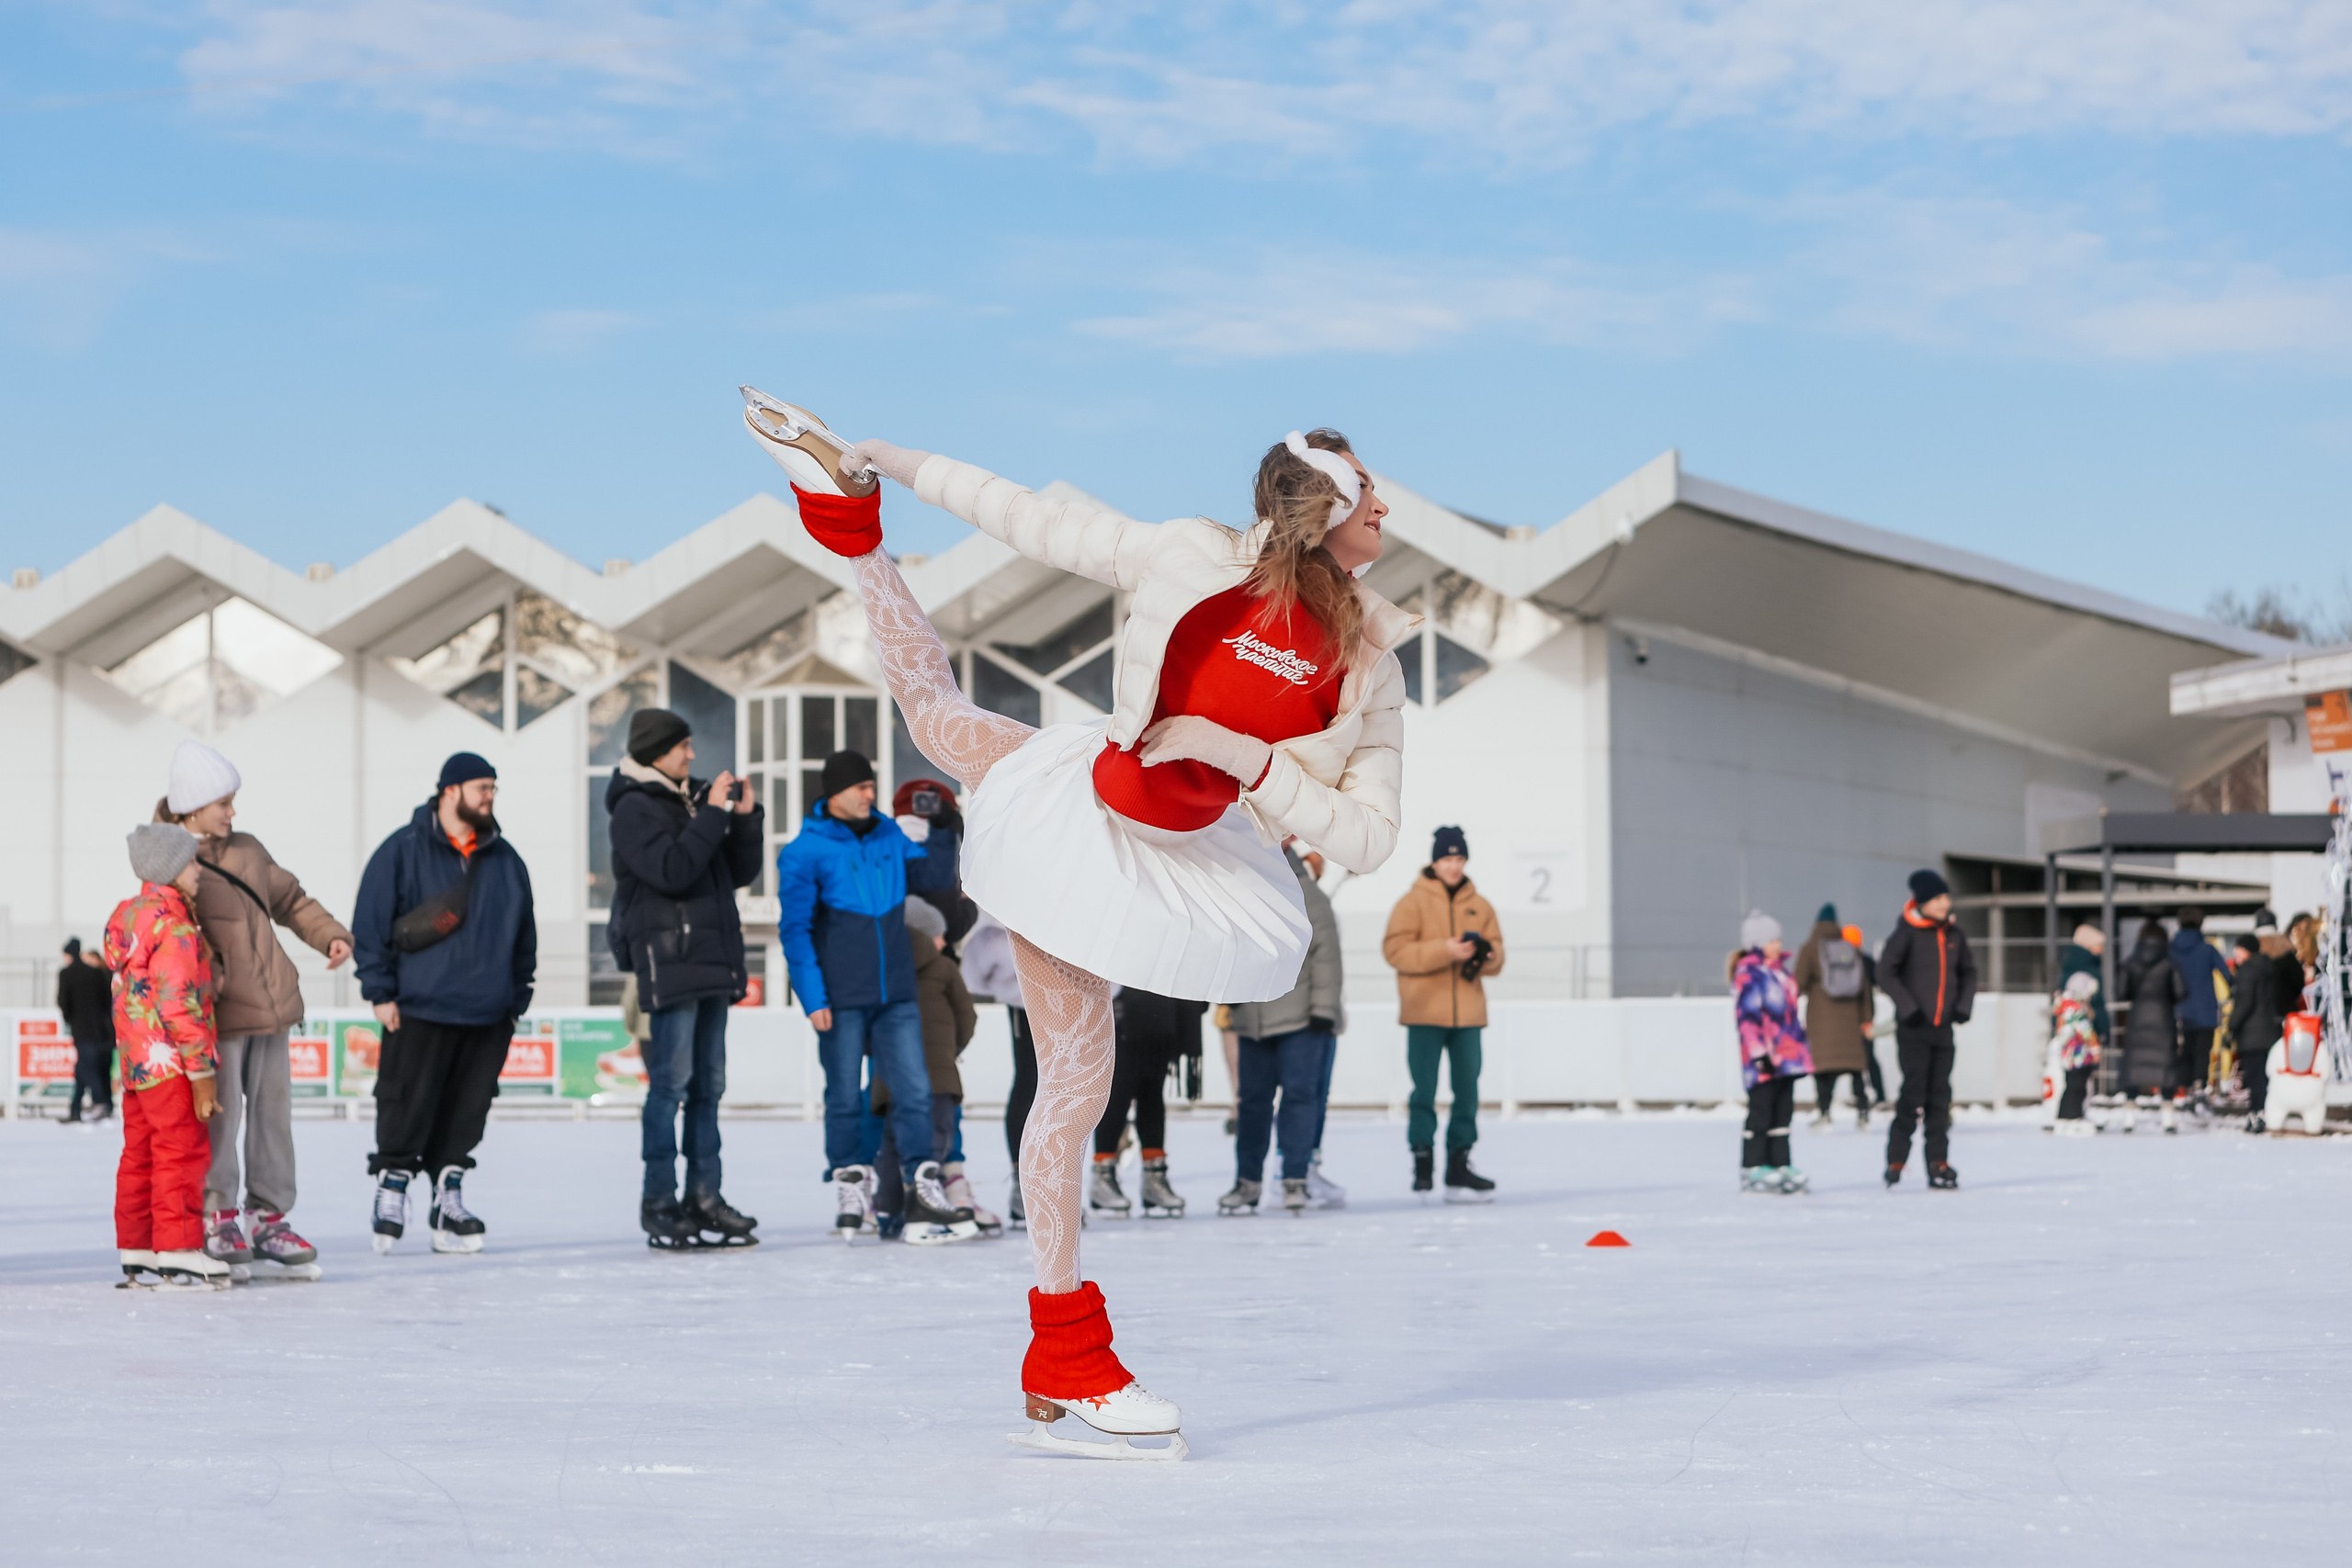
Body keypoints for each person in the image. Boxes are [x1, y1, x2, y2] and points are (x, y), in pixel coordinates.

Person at [746, 392, 1408, 1457]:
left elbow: (1369, 837)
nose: (1386, 505)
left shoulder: (1368, 664)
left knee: (948, 731)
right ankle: (1064, 1352)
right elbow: (1030, 519)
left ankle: (852, 531)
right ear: (1321, 504)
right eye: (1368, 488)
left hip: (1193, 851)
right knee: (1072, 1080)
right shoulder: (1190, 557)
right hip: (1087, 823)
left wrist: (1242, 760)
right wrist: (896, 457)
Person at [154, 740, 350, 1278]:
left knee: (272, 1117)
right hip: (221, 1015)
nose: (233, 812)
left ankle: (268, 1215)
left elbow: (290, 899)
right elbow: (169, 929)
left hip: (274, 1005)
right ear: (193, 805)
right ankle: (218, 1214)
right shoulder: (171, 858)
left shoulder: (248, 849)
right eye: (224, 802)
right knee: (222, 1119)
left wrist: (328, 934)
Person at [776, 747, 973, 1244]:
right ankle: (850, 1184)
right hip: (840, 997)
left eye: (871, 786)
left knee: (914, 1092)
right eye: (862, 787)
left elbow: (930, 878)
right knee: (844, 1095)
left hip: (897, 993)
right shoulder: (804, 851)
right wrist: (812, 996)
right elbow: (795, 930)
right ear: (836, 792)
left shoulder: (887, 833)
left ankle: (918, 1187)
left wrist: (947, 828)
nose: (871, 794)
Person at [352, 752, 537, 1255]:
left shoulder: (506, 860)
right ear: (449, 791)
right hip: (418, 1007)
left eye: (493, 789)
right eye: (482, 787)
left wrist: (516, 998)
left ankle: (447, 1198)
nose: (490, 797)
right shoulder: (402, 850)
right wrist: (380, 991)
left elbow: (525, 937)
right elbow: (370, 925)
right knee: (405, 1103)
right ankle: (391, 1191)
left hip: (487, 1014)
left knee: (468, 1110)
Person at [605, 706, 766, 1250]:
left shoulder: (694, 800)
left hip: (714, 961)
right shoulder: (632, 808)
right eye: (683, 747)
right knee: (670, 1087)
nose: (692, 756)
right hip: (669, 963)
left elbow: (738, 873)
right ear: (656, 751)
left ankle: (705, 1197)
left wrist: (742, 818)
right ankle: (659, 1201)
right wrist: (711, 816)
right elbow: (672, 871)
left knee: (708, 1088)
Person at [107, 824, 228, 1289]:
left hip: (137, 1065)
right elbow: (178, 1002)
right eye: (194, 862)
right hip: (172, 1061)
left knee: (139, 1155)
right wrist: (201, 1072)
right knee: (181, 1151)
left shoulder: (130, 919)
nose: (199, 871)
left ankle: (138, 1244)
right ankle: (178, 1248)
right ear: (173, 870)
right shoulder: (174, 927)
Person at [1222, 840, 1345, 1215]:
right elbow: (1232, 948)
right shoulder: (1242, 893)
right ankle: (1248, 1183)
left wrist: (1323, 1011)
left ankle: (1295, 1179)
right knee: (1252, 1105)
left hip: (1301, 1021)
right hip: (1254, 1020)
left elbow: (1326, 957)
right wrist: (1230, 995)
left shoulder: (1309, 896)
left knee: (1298, 1099)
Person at [1382, 825, 1505, 1202]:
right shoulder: (1411, 903)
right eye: (1448, 858)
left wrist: (1484, 954)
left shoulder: (1480, 905)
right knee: (1424, 1091)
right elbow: (1395, 951)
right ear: (1435, 861)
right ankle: (1422, 1164)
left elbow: (1498, 958)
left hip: (1468, 1016)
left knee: (1467, 1092)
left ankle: (1458, 1167)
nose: (1454, 866)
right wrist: (1445, 951)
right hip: (1423, 1014)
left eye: (1459, 858)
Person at [872, 898, 990, 1241]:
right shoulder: (943, 968)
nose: (943, 941)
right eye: (938, 934)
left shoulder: (883, 966)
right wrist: (952, 1050)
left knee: (893, 1144)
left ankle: (888, 1210)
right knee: (935, 1140)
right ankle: (923, 1208)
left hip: (890, 1076)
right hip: (938, 1076)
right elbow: (967, 1016)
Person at [1878, 869, 1976, 1190]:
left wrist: (1962, 1007)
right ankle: (1896, 1159)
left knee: (1940, 1096)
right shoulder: (1906, 934)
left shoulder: (1954, 935)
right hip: (1914, 1028)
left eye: (1946, 897)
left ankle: (1938, 1162)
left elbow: (1969, 972)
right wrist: (1909, 1009)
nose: (1945, 903)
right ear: (1922, 902)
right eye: (1937, 898)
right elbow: (1885, 973)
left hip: (1943, 1029)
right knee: (1913, 1093)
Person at [1090, 987, 1205, 1219]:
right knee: (1118, 1090)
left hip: (1163, 1003)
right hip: (1124, 1003)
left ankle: (1154, 1176)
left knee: (1152, 1090)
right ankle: (1103, 1174)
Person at [961, 909, 1033, 1228]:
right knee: (1032, 1082)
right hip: (1025, 991)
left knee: (1064, 1087)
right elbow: (989, 934)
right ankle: (1025, 1185)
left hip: (1071, 986)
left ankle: (1052, 1183)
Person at [1732, 912, 1814, 1192]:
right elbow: (1748, 1019)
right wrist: (1758, 1054)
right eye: (1770, 941)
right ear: (1755, 943)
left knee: (1783, 1112)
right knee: (1761, 1111)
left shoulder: (1781, 973)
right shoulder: (1749, 975)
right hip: (1763, 1059)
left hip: (1788, 1057)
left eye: (1778, 940)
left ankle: (1780, 1163)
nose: (1777, 945)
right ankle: (1753, 1166)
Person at [1792, 903, 1871, 1130]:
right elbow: (1864, 988)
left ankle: (1824, 1112)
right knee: (1856, 1069)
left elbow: (1798, 983)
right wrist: (1867, 1018)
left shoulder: (1810, 948)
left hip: (1822, 1020)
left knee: (1822, 1069)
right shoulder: (1849, 947)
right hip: (1851, 1020)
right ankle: (1863, 1112)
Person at [2115, 919, 2188, 1133]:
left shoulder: (2130, 962)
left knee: (2133, 1068)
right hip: (2163, 1021)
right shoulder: (2170, 963)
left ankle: (2129, 1118)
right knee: (2166, 1069)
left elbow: (2121, 992)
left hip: (2137, 1021)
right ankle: (2167, 1119)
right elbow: (2181, 992)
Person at [2226, 912, 2287, 1132]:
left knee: (2255, 1076)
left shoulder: (2247, 971)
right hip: (2269, 1029)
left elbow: (2243, 1003)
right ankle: (2267, 1112)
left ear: (2246, 950)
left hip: (2252, 1032)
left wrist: (2231, 1027)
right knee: (2266, 1075)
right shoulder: (2268, 968)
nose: (2235, 953)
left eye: (2238, 948)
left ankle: (2257, 1115)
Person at [2169, 907, 2229, 1112]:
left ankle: (2183, 1092)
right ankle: (2199, 1090)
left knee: (2184, 1052)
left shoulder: (2171, 950)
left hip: (2178, 1010)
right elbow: (2227, 975)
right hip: (2205, 1010)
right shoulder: (2208, 949)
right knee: (2203, 1052)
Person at [57, 938, 116, 1124]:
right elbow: (107, 1000)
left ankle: (100, 1102)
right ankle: (76, 1109)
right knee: (85, 1067)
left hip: (81, 1029)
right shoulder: (95, 973)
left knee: (85, 1067)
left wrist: (70, 1018)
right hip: (100, 1029)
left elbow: (63, 1001)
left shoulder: (66, 973)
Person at [2050, 971, 2103, 1134]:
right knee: (2077, 1088)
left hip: (2069, 1055)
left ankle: (2066, 1117)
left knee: (2071, 1086)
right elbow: (2085, 1031)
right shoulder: (2075, 1010)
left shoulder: (2065, 1007)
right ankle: (2072, 1117)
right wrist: (2095, 1048)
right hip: (2078, 1055)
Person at [1847, 923, 1889, 1108]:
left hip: (1847, 1019)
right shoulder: (1866, 961)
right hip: (1865, 1017)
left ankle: (1861, 1096)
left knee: (1852, 1059)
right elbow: (1881, 982)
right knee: (1868, 1058)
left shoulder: (1838, 962)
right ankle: (1878, 1096)